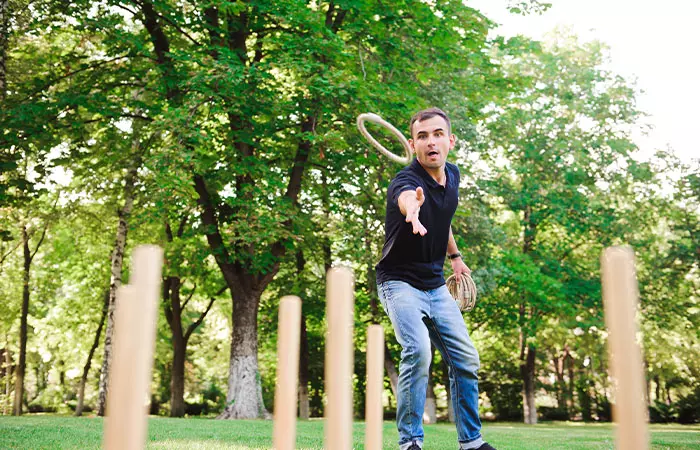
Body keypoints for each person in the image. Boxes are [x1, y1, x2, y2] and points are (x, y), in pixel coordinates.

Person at [376, 108, 495, 450]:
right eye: (423, 136)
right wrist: (411, 209)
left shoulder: (453, 176)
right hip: (398, 282)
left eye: (438, 134)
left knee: (466, 359)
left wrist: (455, 257)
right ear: (412, 145)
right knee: (419, 351)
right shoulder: (406, 181)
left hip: (435, 283)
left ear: (450, 141)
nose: (431, 141)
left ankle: (471, 442)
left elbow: (444, 220)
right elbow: (405, 200)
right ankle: (410, 441)